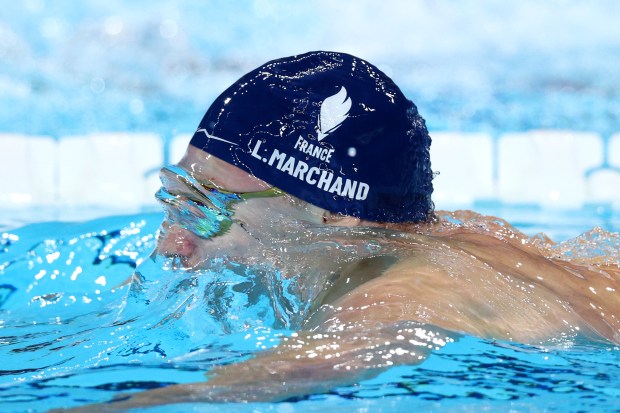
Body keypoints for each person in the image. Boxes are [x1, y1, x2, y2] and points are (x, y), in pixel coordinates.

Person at [79, 51, 620, 410]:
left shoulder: (401, 296)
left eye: (209, 206)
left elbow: (284, 377)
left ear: (333, 216)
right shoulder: (455, 237)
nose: (171, 245)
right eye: (177, 197)